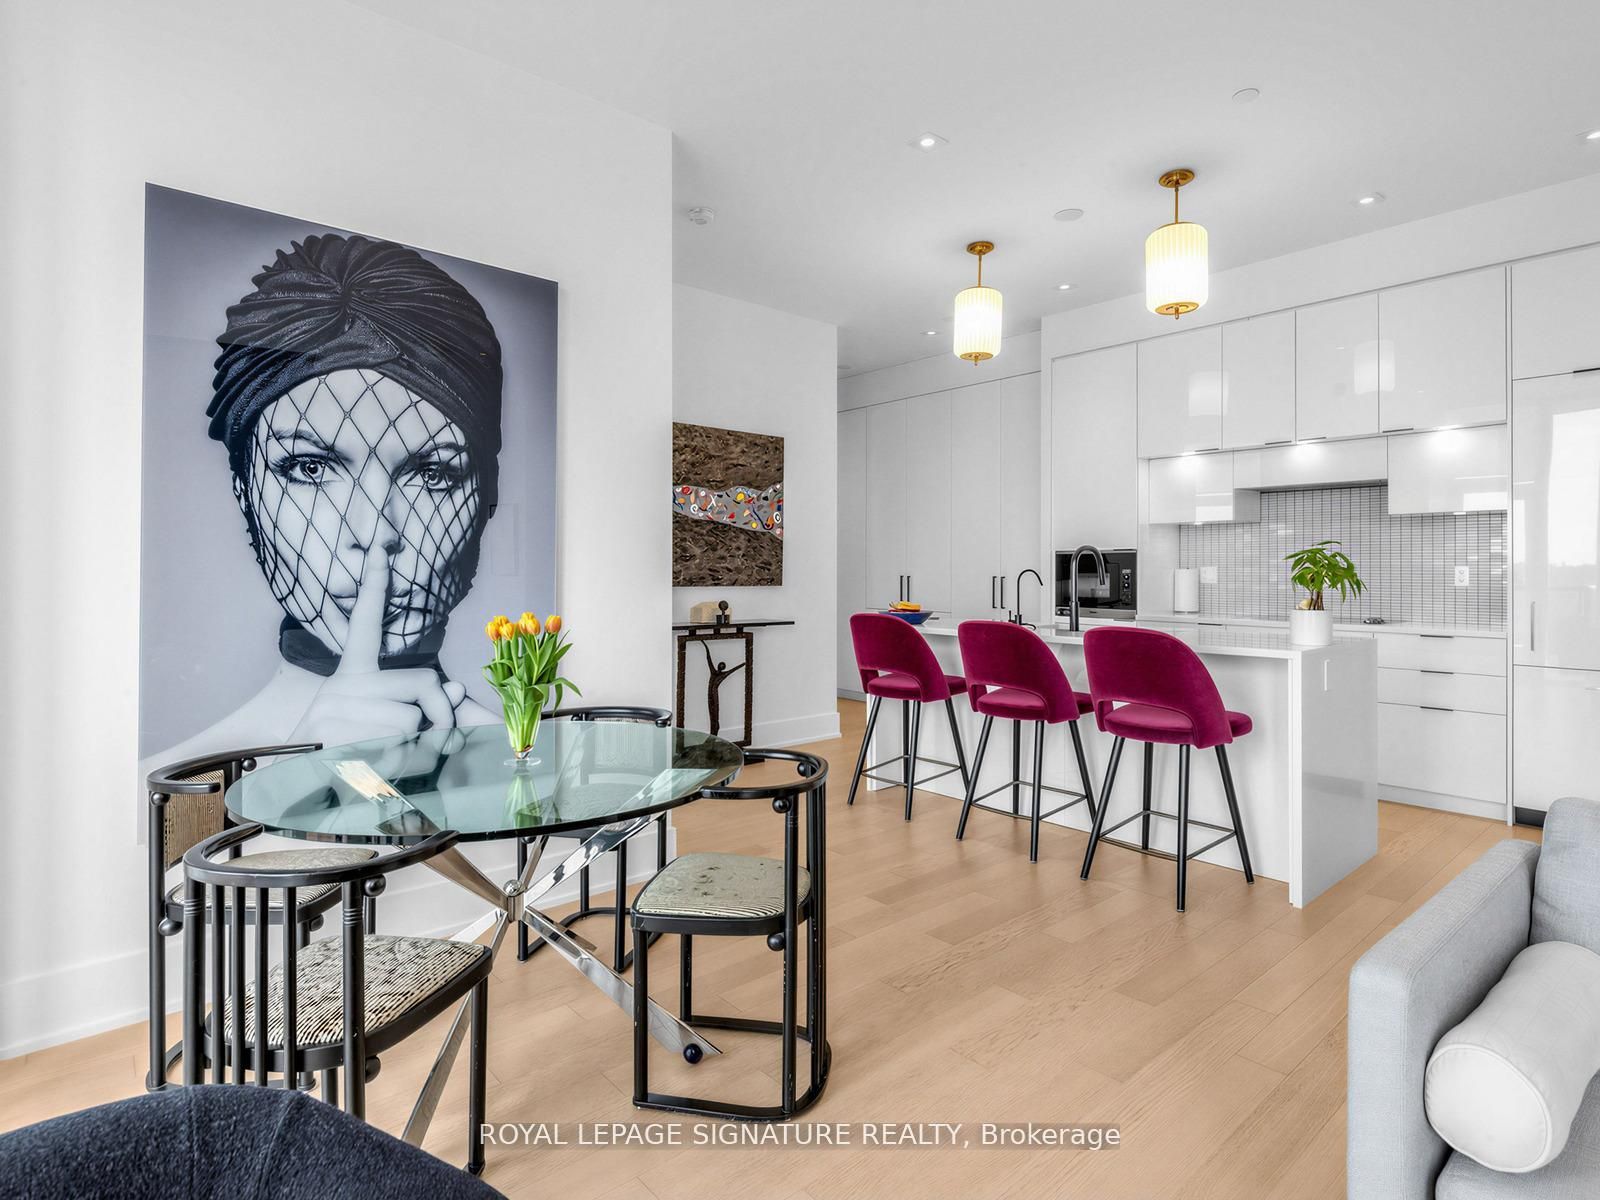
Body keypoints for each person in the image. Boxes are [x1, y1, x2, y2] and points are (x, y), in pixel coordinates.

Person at [152, 233, 505, 764]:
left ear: (487, 499)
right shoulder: (169, 793)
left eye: (432, 474)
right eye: (310, 469)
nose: (376, 534)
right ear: (243, 489)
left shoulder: (547, 775)